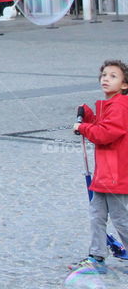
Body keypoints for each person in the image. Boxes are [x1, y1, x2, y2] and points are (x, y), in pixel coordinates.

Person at [69, 60, 128, 274]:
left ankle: (99, 256)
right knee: (97, 215)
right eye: (104, 75)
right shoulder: (110, 105)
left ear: (124, 84)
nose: (106, 78)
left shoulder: (121, 106)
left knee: (121, 219)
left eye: (113, 76)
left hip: (116, 175)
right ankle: (97, 257)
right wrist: (89, 116)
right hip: (105, 175)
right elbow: (101, 126)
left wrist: (83, 127)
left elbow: (105, 134)